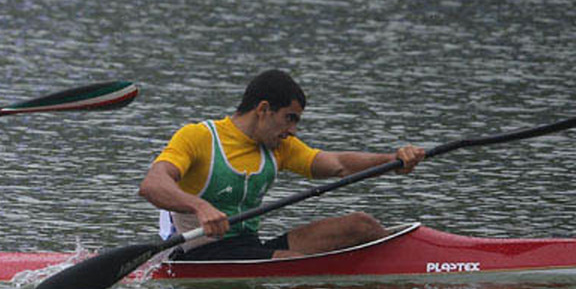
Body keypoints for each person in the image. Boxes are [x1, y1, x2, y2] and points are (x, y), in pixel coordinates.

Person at [139, 69, 426, 261]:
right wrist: (199, 207)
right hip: (199, 253)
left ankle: (416, 263)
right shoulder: (199, 137)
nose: (293, 130)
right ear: (263, 110)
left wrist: (392, 161)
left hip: (250, 247)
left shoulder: (279, 146)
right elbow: (152, 185)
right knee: (293, 264)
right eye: (290, 118)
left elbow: (337, 164)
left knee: (361, 225)